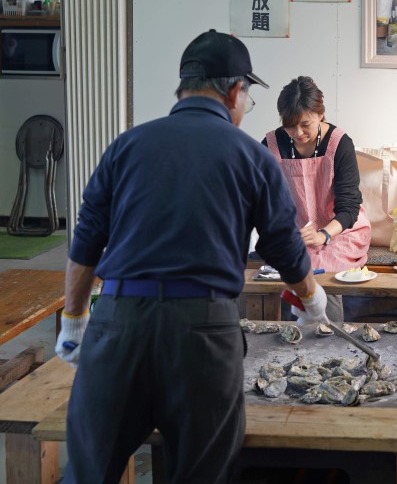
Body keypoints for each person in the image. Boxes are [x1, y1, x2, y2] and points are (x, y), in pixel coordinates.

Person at [55, 29, 329, 484]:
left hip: (119, 324)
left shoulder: (126, 146)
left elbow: (85, 242)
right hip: (202, 333)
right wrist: (312, 299)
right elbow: (283, 244)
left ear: (183, 87)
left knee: (88, 473)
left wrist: (74, 320)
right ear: (236, 91)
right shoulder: (251, 156)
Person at [261, 76, 371, 322]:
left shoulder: (339, 143)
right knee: (293, 259)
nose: (298, 133)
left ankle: (327, 337)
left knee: (319, 263)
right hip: (296, 230)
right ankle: (293, 339)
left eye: (305, 125)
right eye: (290, 126)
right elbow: (265, 201)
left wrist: (324, 234)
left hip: (341, 230)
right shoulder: (271, 144)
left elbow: (349, 207)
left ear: (321, 114)